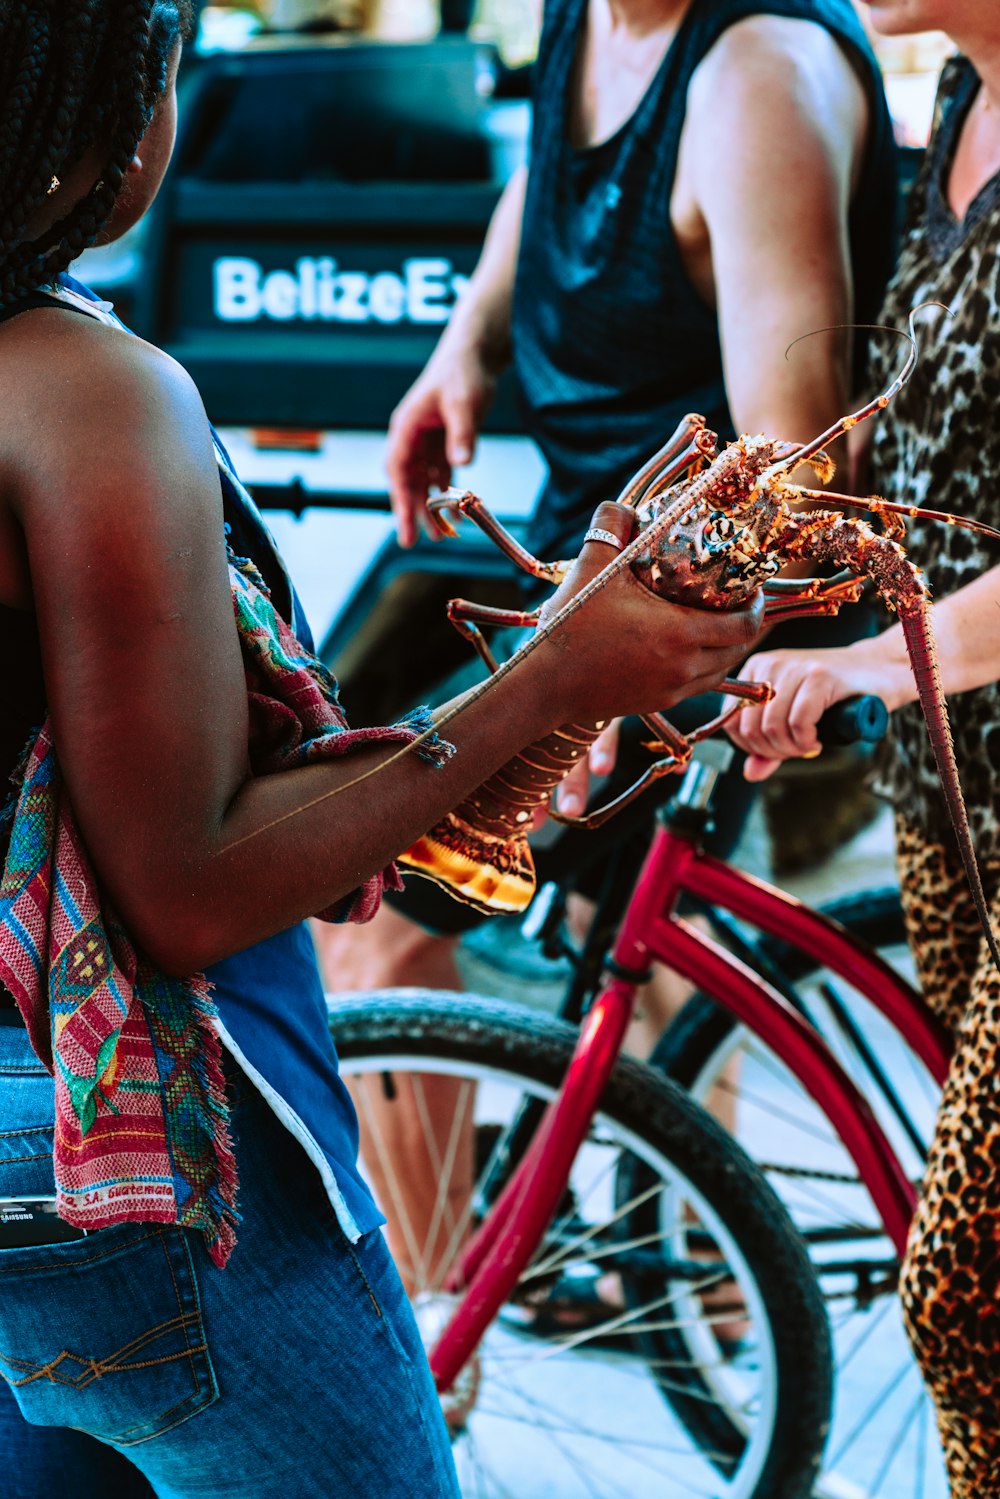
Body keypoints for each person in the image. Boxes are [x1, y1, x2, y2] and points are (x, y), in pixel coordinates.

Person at [0, 5, 765, 1497]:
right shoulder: (88, 392)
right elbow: (191, 885)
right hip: (139, 1166)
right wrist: (556, 672)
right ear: (96, 117)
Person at [318, 0, 897, 1295]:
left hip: (691, 628)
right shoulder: (592, 16)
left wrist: (598, 690)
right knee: (630, 962)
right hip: (591, 590)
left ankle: (435, 1349)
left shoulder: (755, 77)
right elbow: (546, 178)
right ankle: (703, 1287)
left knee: (371, 895)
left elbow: (795, 476)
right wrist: (461, 349)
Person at [726, 3, 1000, 1491]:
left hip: (943, 716)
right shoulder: (957, 100)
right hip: (954, 780)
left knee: (964, 1289)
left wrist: (872, 666)